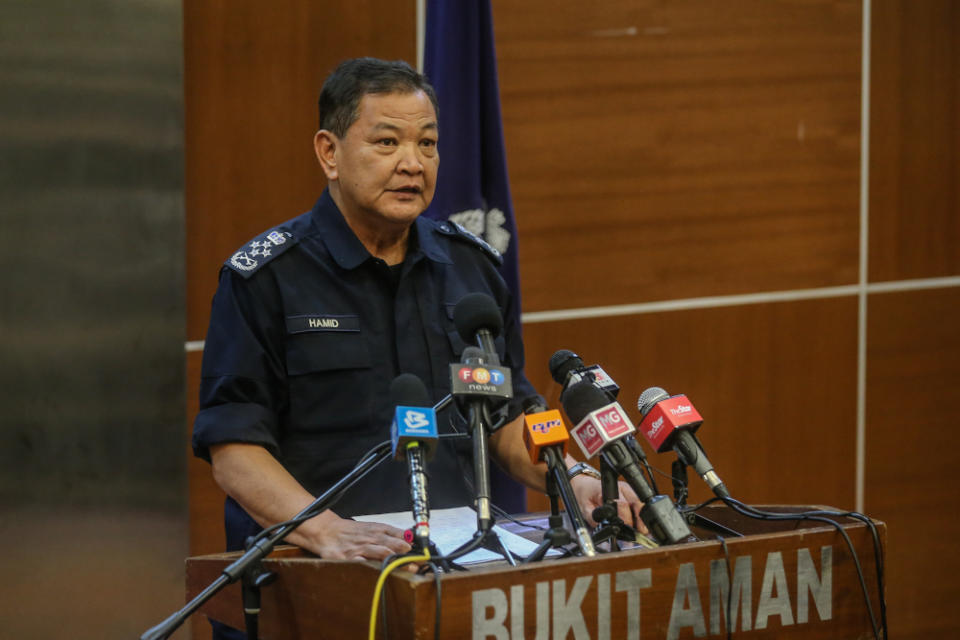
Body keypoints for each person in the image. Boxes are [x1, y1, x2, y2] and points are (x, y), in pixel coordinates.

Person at [193, 57, 641, 638]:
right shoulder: (266, 279)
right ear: (329, 153)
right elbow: (234, 449)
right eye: (387, 141)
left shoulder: (471, 269)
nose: (413, 163)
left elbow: (504, 417)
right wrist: (325, 529)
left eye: (427, 144)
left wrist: (570, 474)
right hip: (311, 581)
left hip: (451, 578)